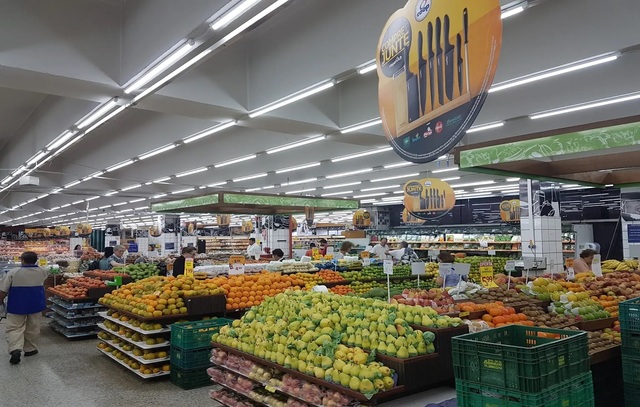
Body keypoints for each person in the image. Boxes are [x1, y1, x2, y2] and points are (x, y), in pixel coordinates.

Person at [0, 251, 49, 365]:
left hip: (17, 304)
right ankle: (30, 349)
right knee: (33, 327)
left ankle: (15, 349)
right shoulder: (43, 271)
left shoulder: (14, 272)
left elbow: (3, 290)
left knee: (14, 328)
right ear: (36, 260)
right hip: (36, 304)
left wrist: (1, 301)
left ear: (22, 260)